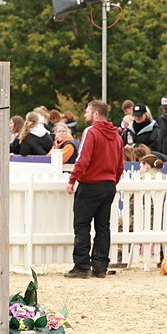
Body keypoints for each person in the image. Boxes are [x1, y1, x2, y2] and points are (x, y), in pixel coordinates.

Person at [65, 100, 124, 278]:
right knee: (103, 227)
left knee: (82, 225)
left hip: (90, 184)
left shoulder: (91, 132)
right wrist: (113, 181)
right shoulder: (117, 136)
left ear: (96, 114)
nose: (85, 115)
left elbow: (83, 159)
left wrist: (72, 179)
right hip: (108, 184)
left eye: (87, 111)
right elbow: (120, 164)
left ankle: (82, 266)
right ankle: (100, 266)